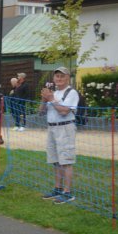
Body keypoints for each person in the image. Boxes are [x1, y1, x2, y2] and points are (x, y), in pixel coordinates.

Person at [39, 66, 79, 204]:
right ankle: (57, 188)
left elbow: (64, 112)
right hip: (52, 128)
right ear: (54, 78)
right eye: (57, 76)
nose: (59, 78)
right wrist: (44, 100)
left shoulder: (71, 93)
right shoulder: (53, 92)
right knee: (56, 160)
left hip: (65, 128)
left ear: (68, 77)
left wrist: (51, 99)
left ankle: (67, 192)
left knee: (66, 160)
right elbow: (41, 112)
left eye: (62, 76)